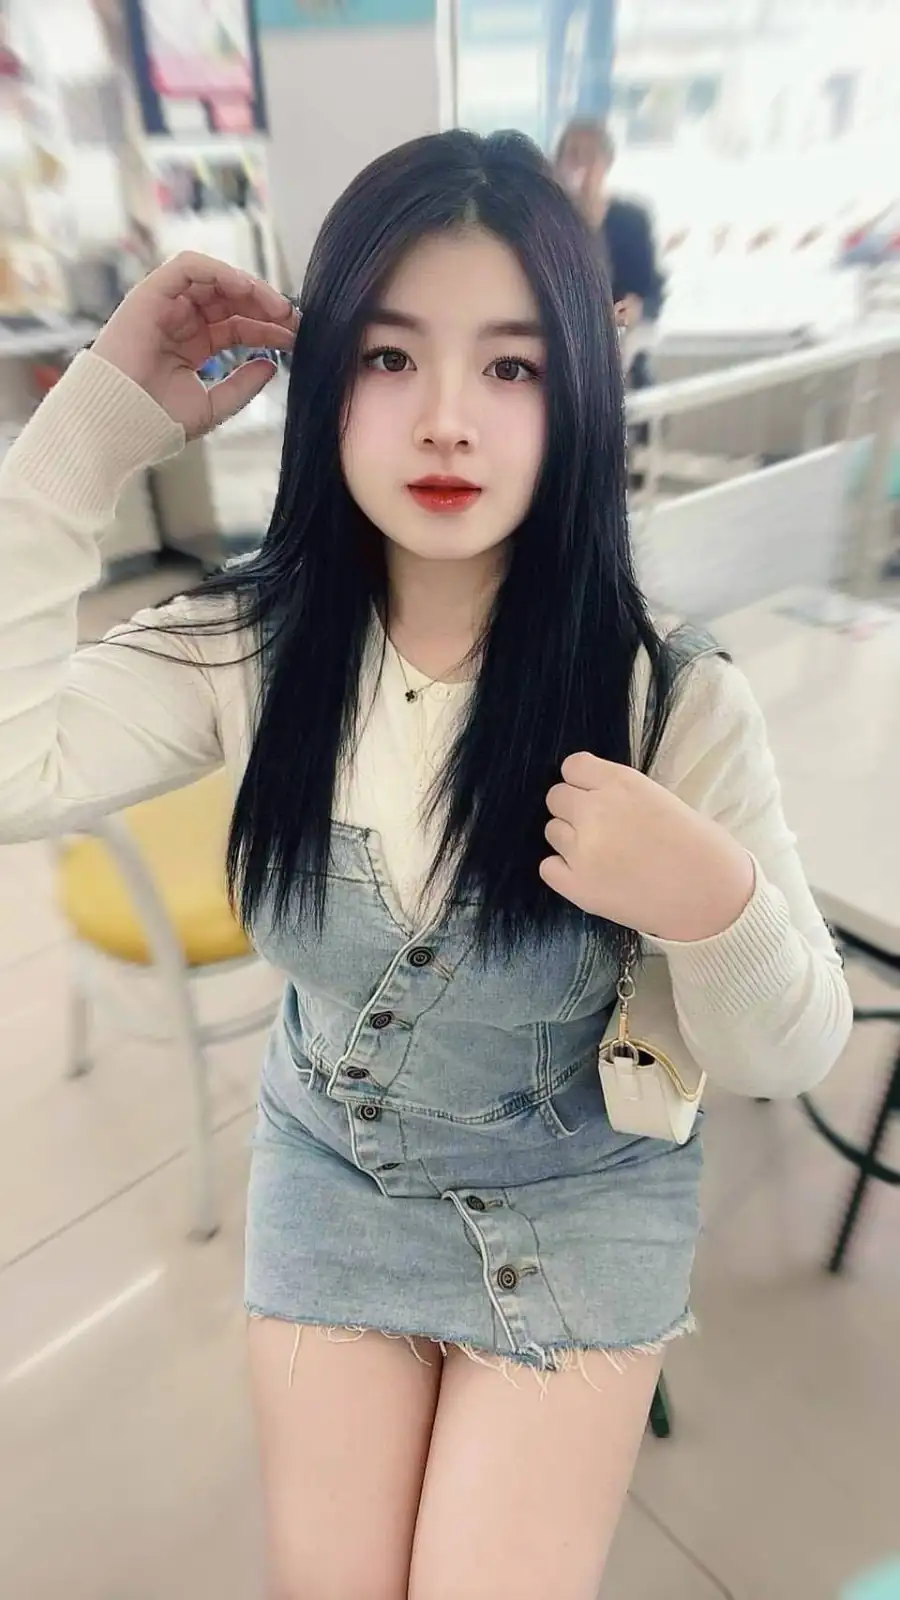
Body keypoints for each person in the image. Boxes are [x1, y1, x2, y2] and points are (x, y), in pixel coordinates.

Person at [0, 130, 850, 1599]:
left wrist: (716, 905)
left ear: (578, 395)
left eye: (511, 366)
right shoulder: (253, 645)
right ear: (326, 376)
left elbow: (794, 1054)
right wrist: (93, 426)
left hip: (577, 1188)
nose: (447, 420)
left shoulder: (668, 695)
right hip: (335, 1165)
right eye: (392, 358)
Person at [554, 116, 665, 389]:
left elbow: (653, 292)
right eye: (573, 154)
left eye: (591, 155)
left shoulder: (632, 219)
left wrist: (638, 309)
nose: (581, 164)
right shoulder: (548, 220)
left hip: (620, 347)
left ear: (608, 162)